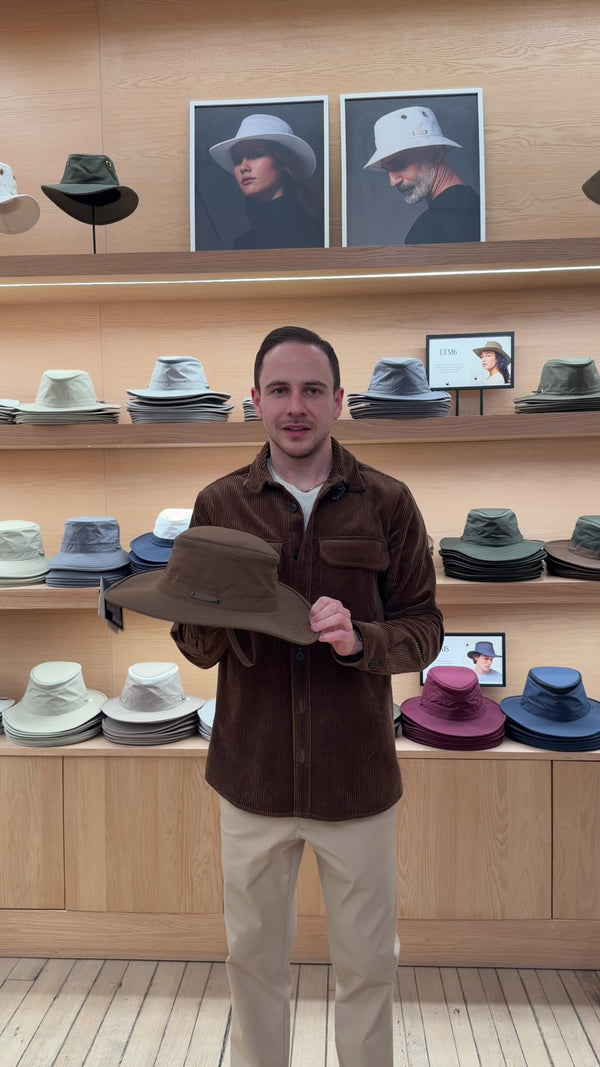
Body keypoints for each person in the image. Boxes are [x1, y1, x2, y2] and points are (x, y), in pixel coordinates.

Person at [170, 324, 444, 1067]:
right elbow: (194, 644)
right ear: (256, 400)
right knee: (252, 962)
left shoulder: (389, 502)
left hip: (357, 780)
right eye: (281, 390)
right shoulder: (218, 503)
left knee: (369, 966)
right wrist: (217, 614)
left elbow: (425, 629)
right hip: (251, 776)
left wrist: (361, 639)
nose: (296, 406)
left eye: (312, 389)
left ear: (339, 400)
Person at [363, 105, 481, 244]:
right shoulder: (476, 206)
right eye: (388, 170)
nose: (393, 182)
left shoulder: (427, 231)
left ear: (436, 154)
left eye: (399, 165)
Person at [209, 113, 323, 250]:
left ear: (282, 161)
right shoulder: (251, 235)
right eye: (237, 160)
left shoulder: (300, 227)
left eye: (255, 155)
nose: (243, 167)